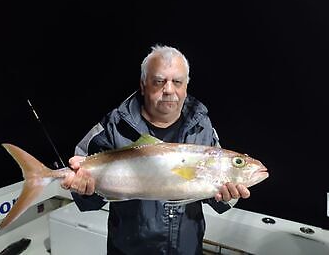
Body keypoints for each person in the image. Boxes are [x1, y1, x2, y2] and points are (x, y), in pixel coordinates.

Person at [61, 44, 250, 255]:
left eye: (177, 82)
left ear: (186, 86)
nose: (169, 89)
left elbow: (215, 200)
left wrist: (228, 197)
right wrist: (85, 190)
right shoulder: (114, 126)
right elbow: (87, 197)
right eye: (159, 81)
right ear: (143, 85)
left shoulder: (203, 128)